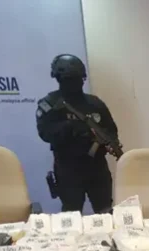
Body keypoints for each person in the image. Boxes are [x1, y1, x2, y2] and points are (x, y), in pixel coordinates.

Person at [36, 54, 119, 213]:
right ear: (59, 79)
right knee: (71, 215)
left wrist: (105, 141)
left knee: (105, 212)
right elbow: (45, 133)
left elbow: (111, 130)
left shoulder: (95, 104)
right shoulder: (50, 104)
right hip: (68, 169)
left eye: (78, 79)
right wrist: (71, 128)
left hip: (97, 167)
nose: (75, 83)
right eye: (69, 79)